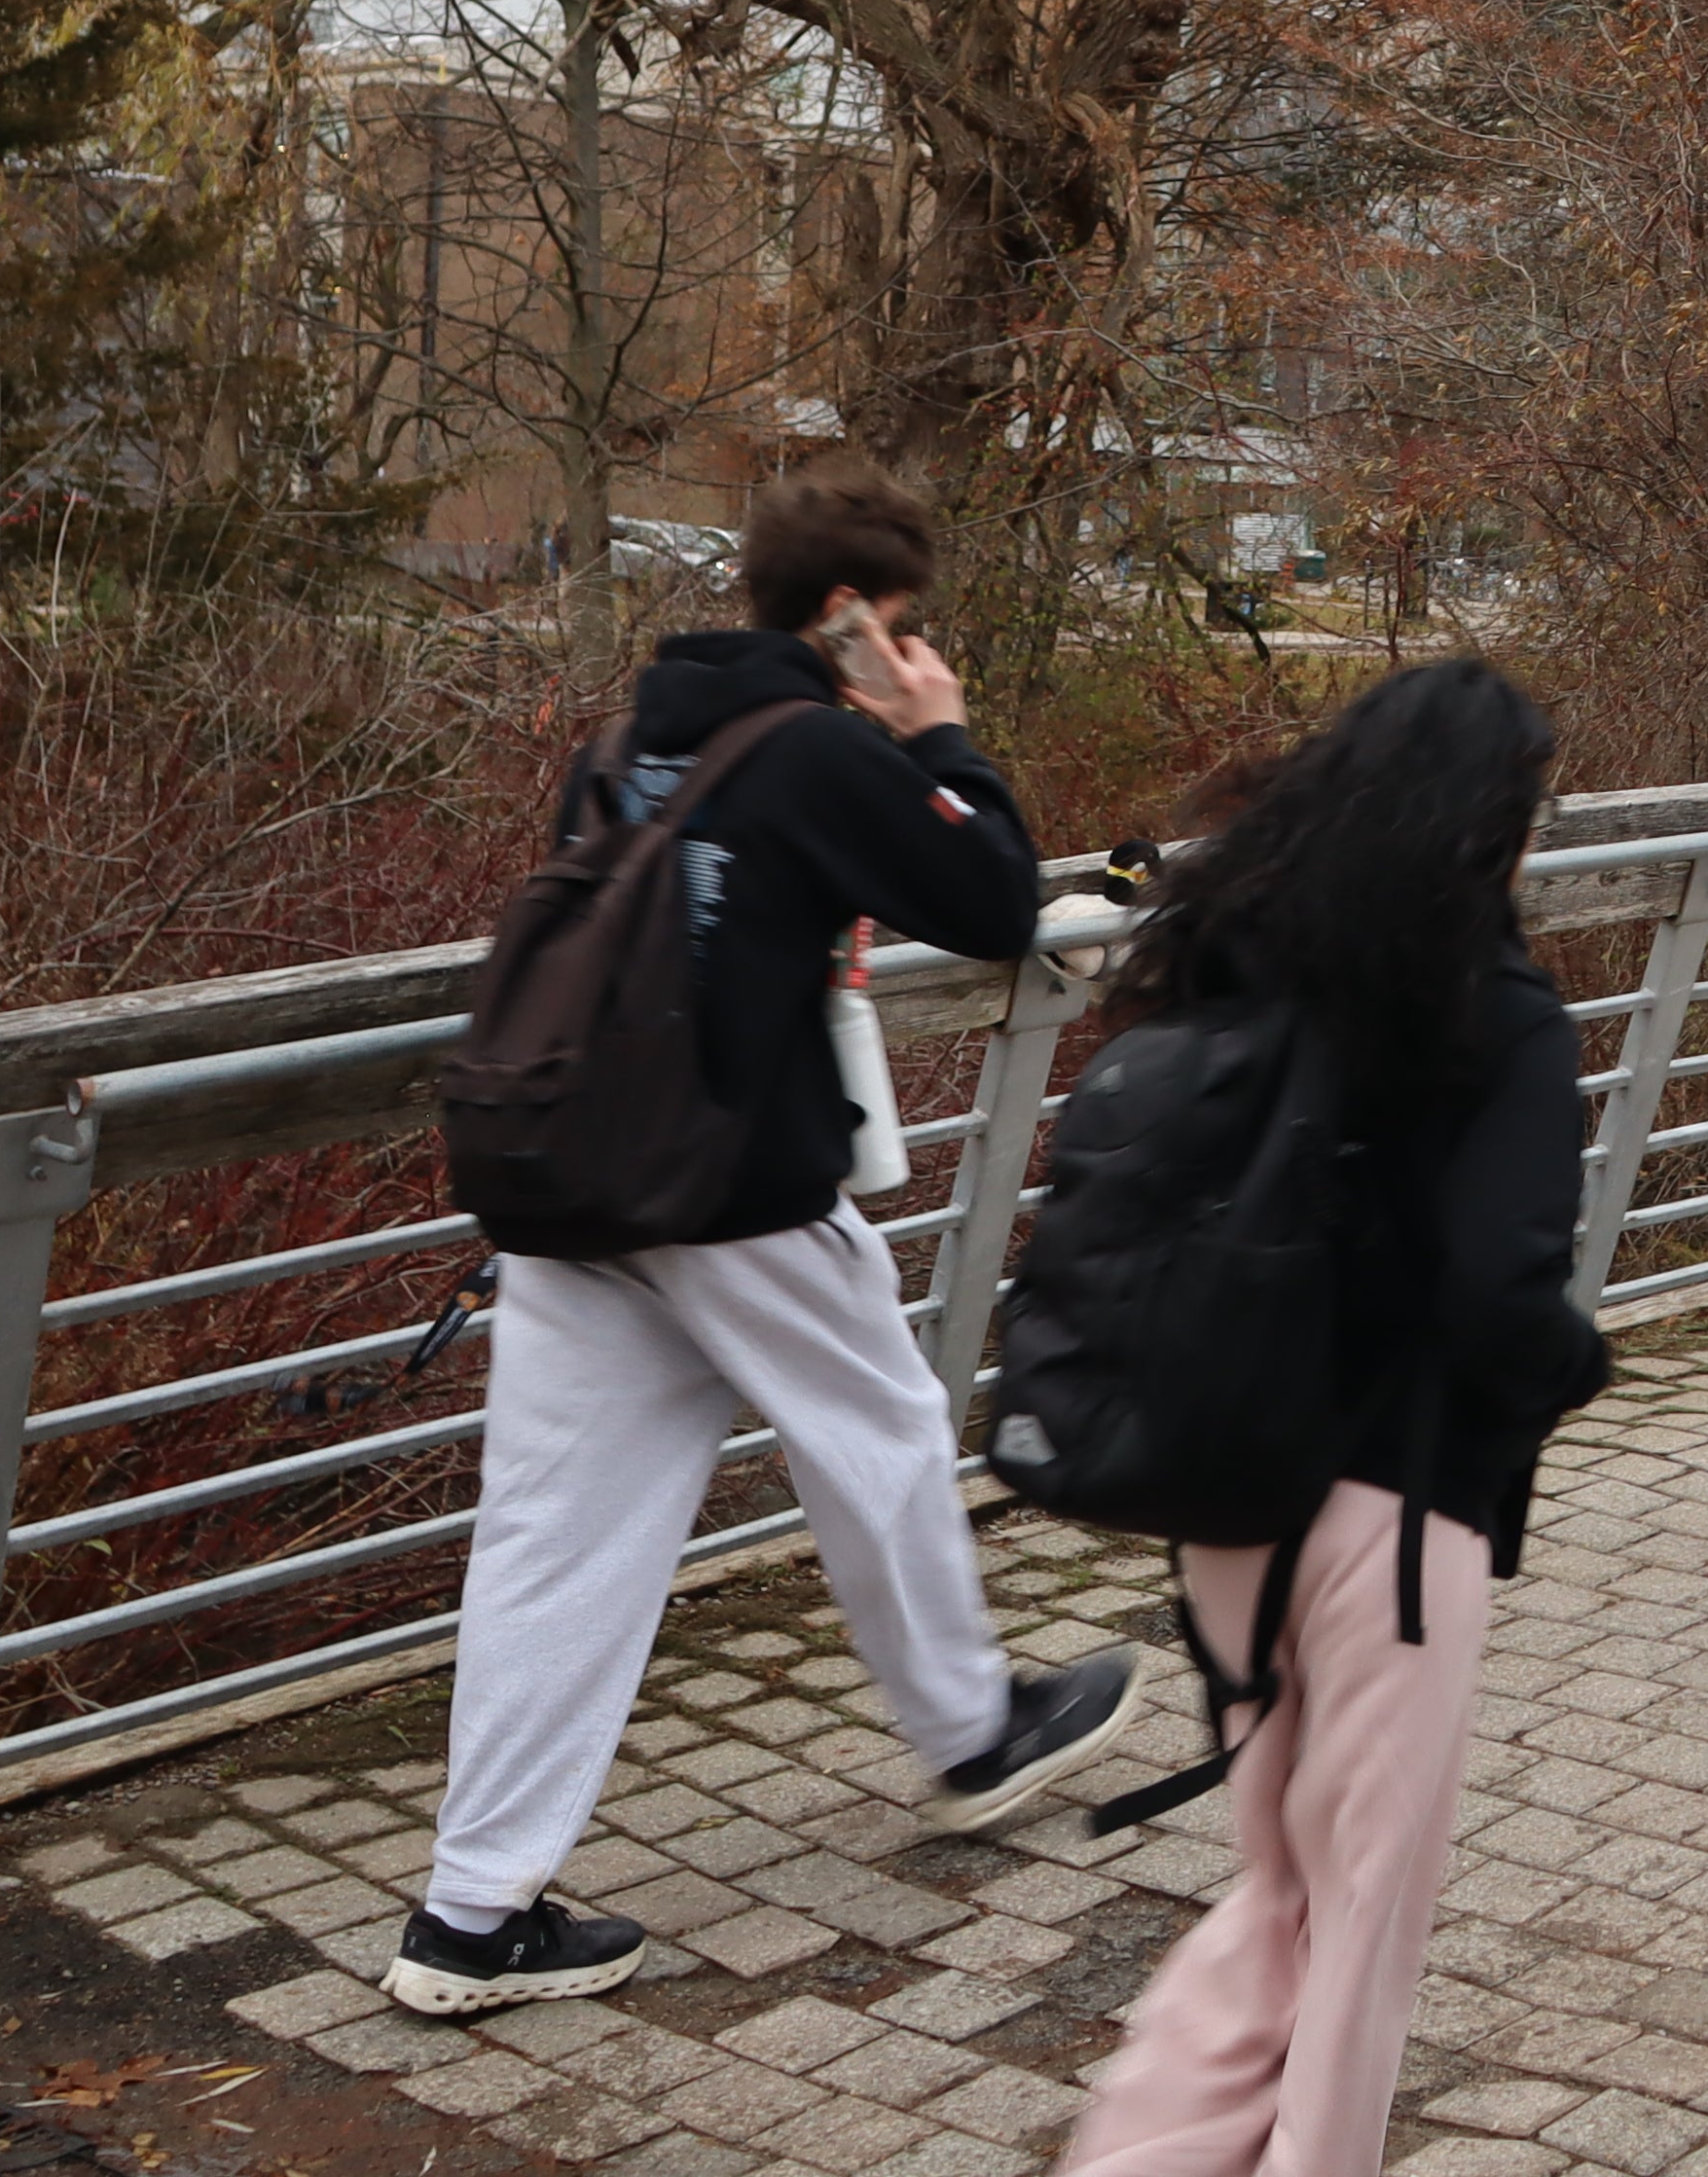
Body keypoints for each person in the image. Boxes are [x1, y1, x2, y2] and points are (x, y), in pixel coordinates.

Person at [391, 458, 1147, 2020]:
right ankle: (972, 1731)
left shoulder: (628, 740)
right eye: (906, 625)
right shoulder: (813, 747)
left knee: (556, 1536)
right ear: (854, 616)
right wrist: (939, 735)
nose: (917, 646)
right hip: (731, 1182)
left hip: (578, 1188)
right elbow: (997, 900)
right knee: (875, 1434)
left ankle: (469, 1916)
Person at [1054, 661, 1617, 2177]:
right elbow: (1497, 1294)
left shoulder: (1233, 957)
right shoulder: (1498, 1010)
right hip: (1398, 1524)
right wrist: (1582, 1367)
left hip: (1226, 1487)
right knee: (1363, 1918)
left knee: (1275, 1886)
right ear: (1494, 821)